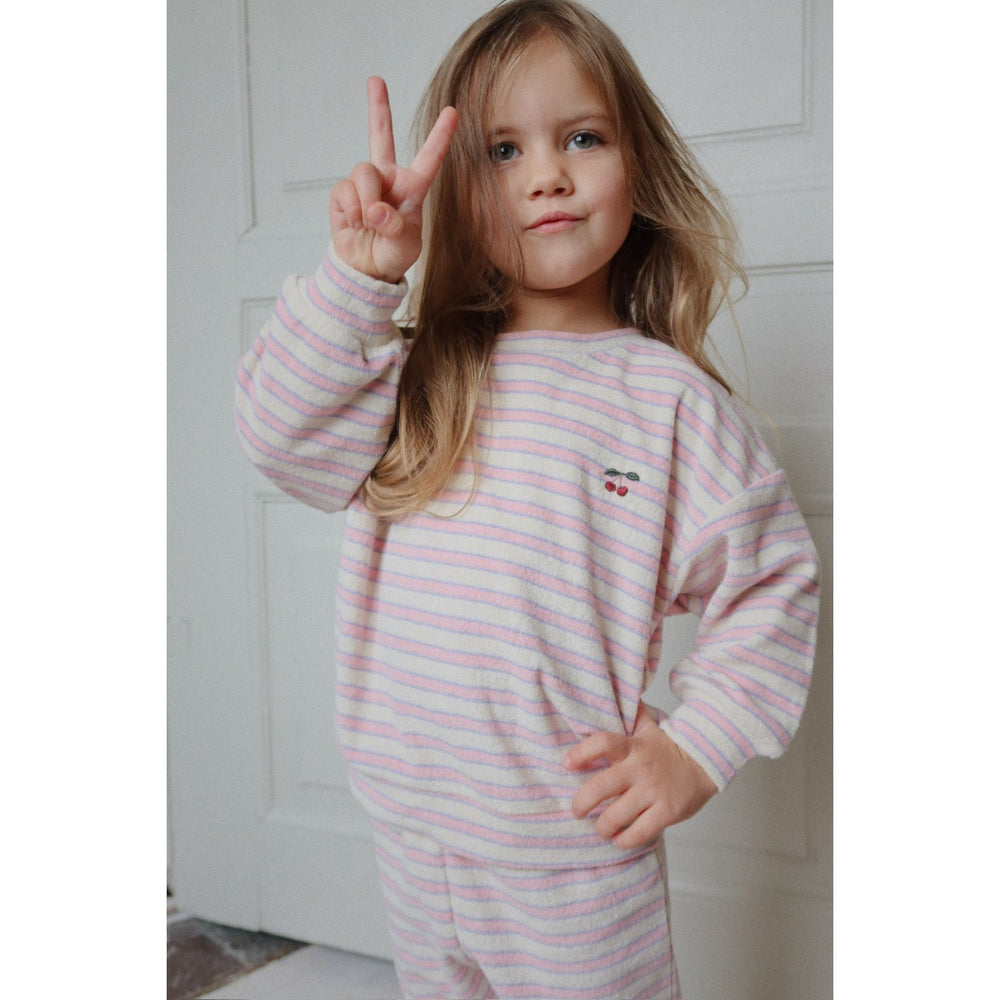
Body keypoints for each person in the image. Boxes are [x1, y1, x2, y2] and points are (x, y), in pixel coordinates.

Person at [235, 1, 820, 997]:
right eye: (503, 151)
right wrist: (356, 278)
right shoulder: (409, 371)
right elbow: (277, 438)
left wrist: (694, 746)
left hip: (570, 850)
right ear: (459, 195)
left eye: (581, 138)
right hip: (414, 830)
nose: (546, 174)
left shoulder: (668, 402)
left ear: (638, 163)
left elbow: (772, 582)